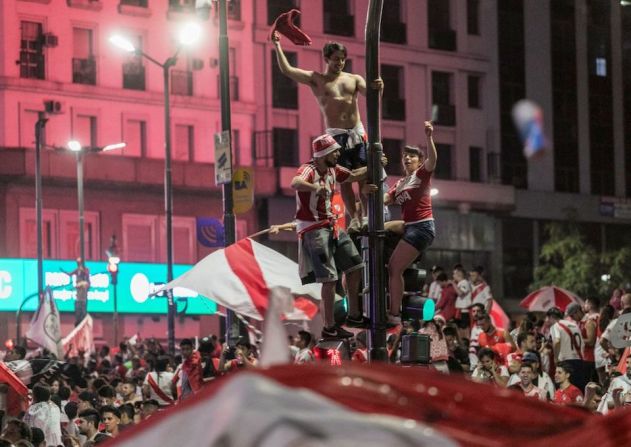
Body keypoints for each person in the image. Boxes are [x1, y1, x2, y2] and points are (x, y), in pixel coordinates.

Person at [272, 33, 384, 232]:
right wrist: (277, 44)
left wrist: (379, 87)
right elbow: (287, 70)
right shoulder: (317, 79)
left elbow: (372, 96)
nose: (340, 63)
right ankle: (355, 218)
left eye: (342, 59)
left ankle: (367, 216)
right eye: (336, 59)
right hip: (336, 136)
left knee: (364, 178)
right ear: (326, 59)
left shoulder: (354, 79)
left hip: (357, 132)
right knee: (345, 180)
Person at [292, 134, 378, 338]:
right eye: (335, 151)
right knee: (329, 280)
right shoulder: (309, 169)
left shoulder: (333, 169)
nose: (339, 154)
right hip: (315, 231)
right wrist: (315, 188)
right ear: (323, 154)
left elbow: (353, 175)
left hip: (333, 227)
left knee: (356, 265)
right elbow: (295, 182)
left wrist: (376, 163)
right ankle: (329, 327)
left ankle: (355, 315)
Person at [384, 122, 437, 326]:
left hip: (422, 227)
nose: (407, 158)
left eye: (412, 156)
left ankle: (395, 314)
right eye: (405, 156)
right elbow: (384, 200)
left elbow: (433, 159)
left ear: (419, 161)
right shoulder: (399, 183)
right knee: (378, 230)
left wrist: (429, 137)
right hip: (409, 226)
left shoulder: (421, 175)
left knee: (394, 268)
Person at [550, 303, 585, 392]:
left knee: (564, 392)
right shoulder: (574, 325)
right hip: (579, 361)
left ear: (552, 317)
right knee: (578, 392)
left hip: (565, 363)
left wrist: (555, 357)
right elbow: (582, 344)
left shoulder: (555, 326)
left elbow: (557, 341)